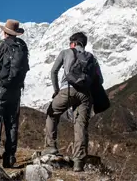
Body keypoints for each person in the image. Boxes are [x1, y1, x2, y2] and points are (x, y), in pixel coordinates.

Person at [44, 32, 104, 172]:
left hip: (67, 90)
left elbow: (54, 71)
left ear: (73, 43)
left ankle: (50, 147)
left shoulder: (65, 52)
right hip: (85, 95)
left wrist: (57, 90)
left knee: (52, 113)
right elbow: (100, 80)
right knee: (80, 125)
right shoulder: (92, 59)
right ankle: (78, 162)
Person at [0, 19, 29, 168]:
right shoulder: (22, 47)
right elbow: (25, 68)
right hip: (15, 91)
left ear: (4, 32)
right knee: (12, 123)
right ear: (16, 34)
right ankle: (9, 158)